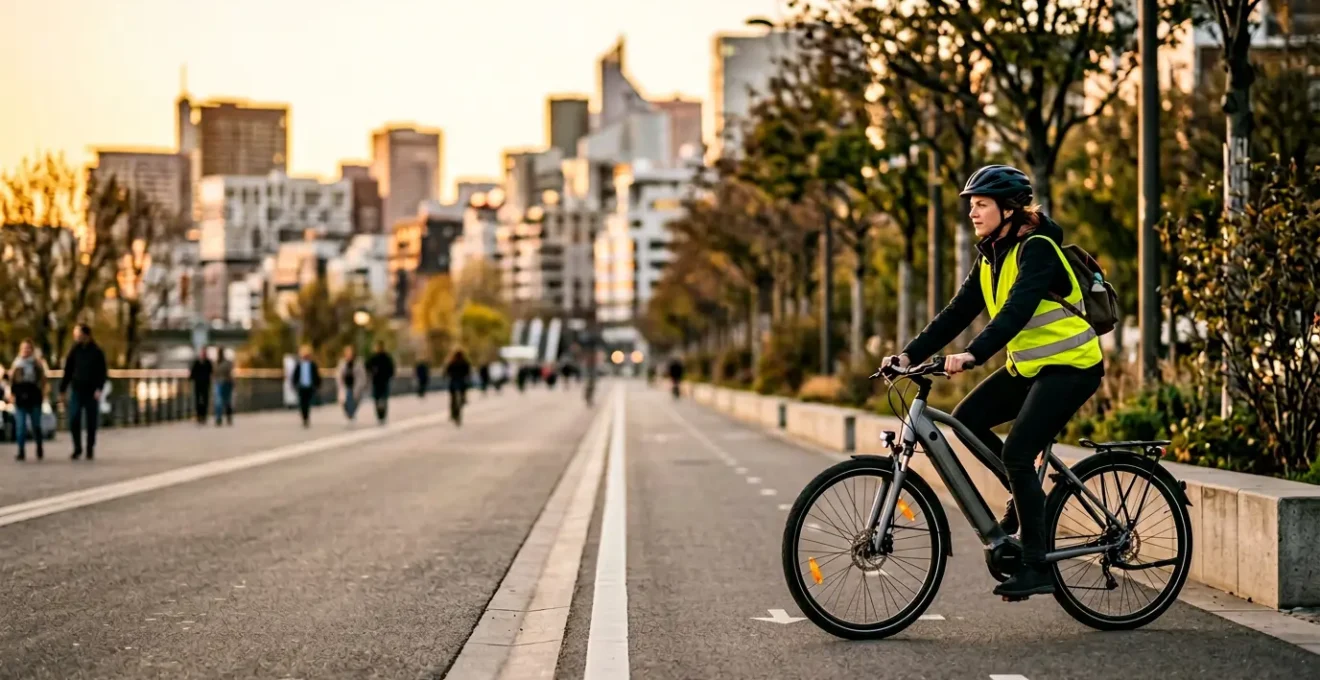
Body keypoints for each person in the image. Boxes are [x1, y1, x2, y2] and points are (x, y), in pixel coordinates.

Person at [882, 164, 1104, 600]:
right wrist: (909, 353)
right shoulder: (990, 256)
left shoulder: (1036, 249)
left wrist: (972, 355)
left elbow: (1015, 311)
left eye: (981, 205)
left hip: (1072, 367)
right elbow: (956, 312)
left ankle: (1038, 566)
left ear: (1009, 209)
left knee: (1020, 451)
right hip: (1031, 368)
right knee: (968, 418)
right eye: (971, 205)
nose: (973, 213)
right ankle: (1026, 500)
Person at [60, 324, 108, 461]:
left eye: (78, 334)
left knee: (91, 421)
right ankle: (77, 447)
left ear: (86, 335)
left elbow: (102, 372)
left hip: (92, 391)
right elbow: (68, 371)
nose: (76, 337)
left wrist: (99, 388)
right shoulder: (74, 350)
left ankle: (90, 447)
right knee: (74, 418)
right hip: (77, 390)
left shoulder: (97, 351)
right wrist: (63, 390)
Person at [9, 339, 49, 461]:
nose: (26, 350)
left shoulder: (37, 364)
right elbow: (12, 381)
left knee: (36, 425)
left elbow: (43, 380)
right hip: (21, 398)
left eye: (28, 348)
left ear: (32, 350)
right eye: (24, 348)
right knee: (20, 426)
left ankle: (39, 446)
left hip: (34, 398)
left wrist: (43, 393)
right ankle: (21, 451)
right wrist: (12, 394)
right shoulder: (16, 364)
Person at [290, 344, 322, 428]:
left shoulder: (312, 365)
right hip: (301, 386)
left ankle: (306, 417)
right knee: (302, 403)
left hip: (309, 387)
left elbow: (316, 376)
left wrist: (317, 385)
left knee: (307, 403)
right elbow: (295, 376)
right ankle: (304, 417)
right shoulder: (299, 365)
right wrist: (294, 384)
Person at [366, 341, 395, 424]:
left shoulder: (386, 357)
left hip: (384, 382)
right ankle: (379, 415)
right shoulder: (374, 357)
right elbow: (367, 366)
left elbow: (391, 369)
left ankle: (383, 415)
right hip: (376, 382)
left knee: (383, 399)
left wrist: (388, 376)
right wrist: (372, 372)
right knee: (377, 399)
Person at [337, 346, 367, 423]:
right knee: (345, 401)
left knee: (354, 401)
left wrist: (362, 384)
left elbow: (362, 375)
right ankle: (349, 414)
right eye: (347, 354)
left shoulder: (358, 363)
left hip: (355, 385)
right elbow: (339, 375)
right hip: (345, 385)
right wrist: (339, 384)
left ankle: (351, 414)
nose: (349, 355)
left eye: (350, 354)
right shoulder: (342, 363)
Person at [445, 348, 472, 425]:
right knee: (461, 398)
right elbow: (468, 373)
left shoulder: (452, 362)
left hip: (453, 383)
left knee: (453, 399)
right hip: (462, 383)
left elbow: (446, 372)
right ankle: (461, 403)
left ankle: (453, 413)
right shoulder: (464, 362)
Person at [188, 349, 213, 425]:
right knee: (198, 400)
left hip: (205, 384)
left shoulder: (208, 362)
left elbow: (211, 372)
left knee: (205, 400)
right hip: (198, 384)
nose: (203, 355)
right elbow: (192, 372)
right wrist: (191, 378)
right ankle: (199, 416)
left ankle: (204, 416)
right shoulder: (197, 362)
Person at [213, 348, 235, 426]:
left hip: (226, 383)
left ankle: (228, 416)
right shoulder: (215, 363)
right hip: (218, 383)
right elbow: (214, 373)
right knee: (218, 401)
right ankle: (218, 418)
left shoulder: (227, 363)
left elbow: (230, 371)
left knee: (227, 401)